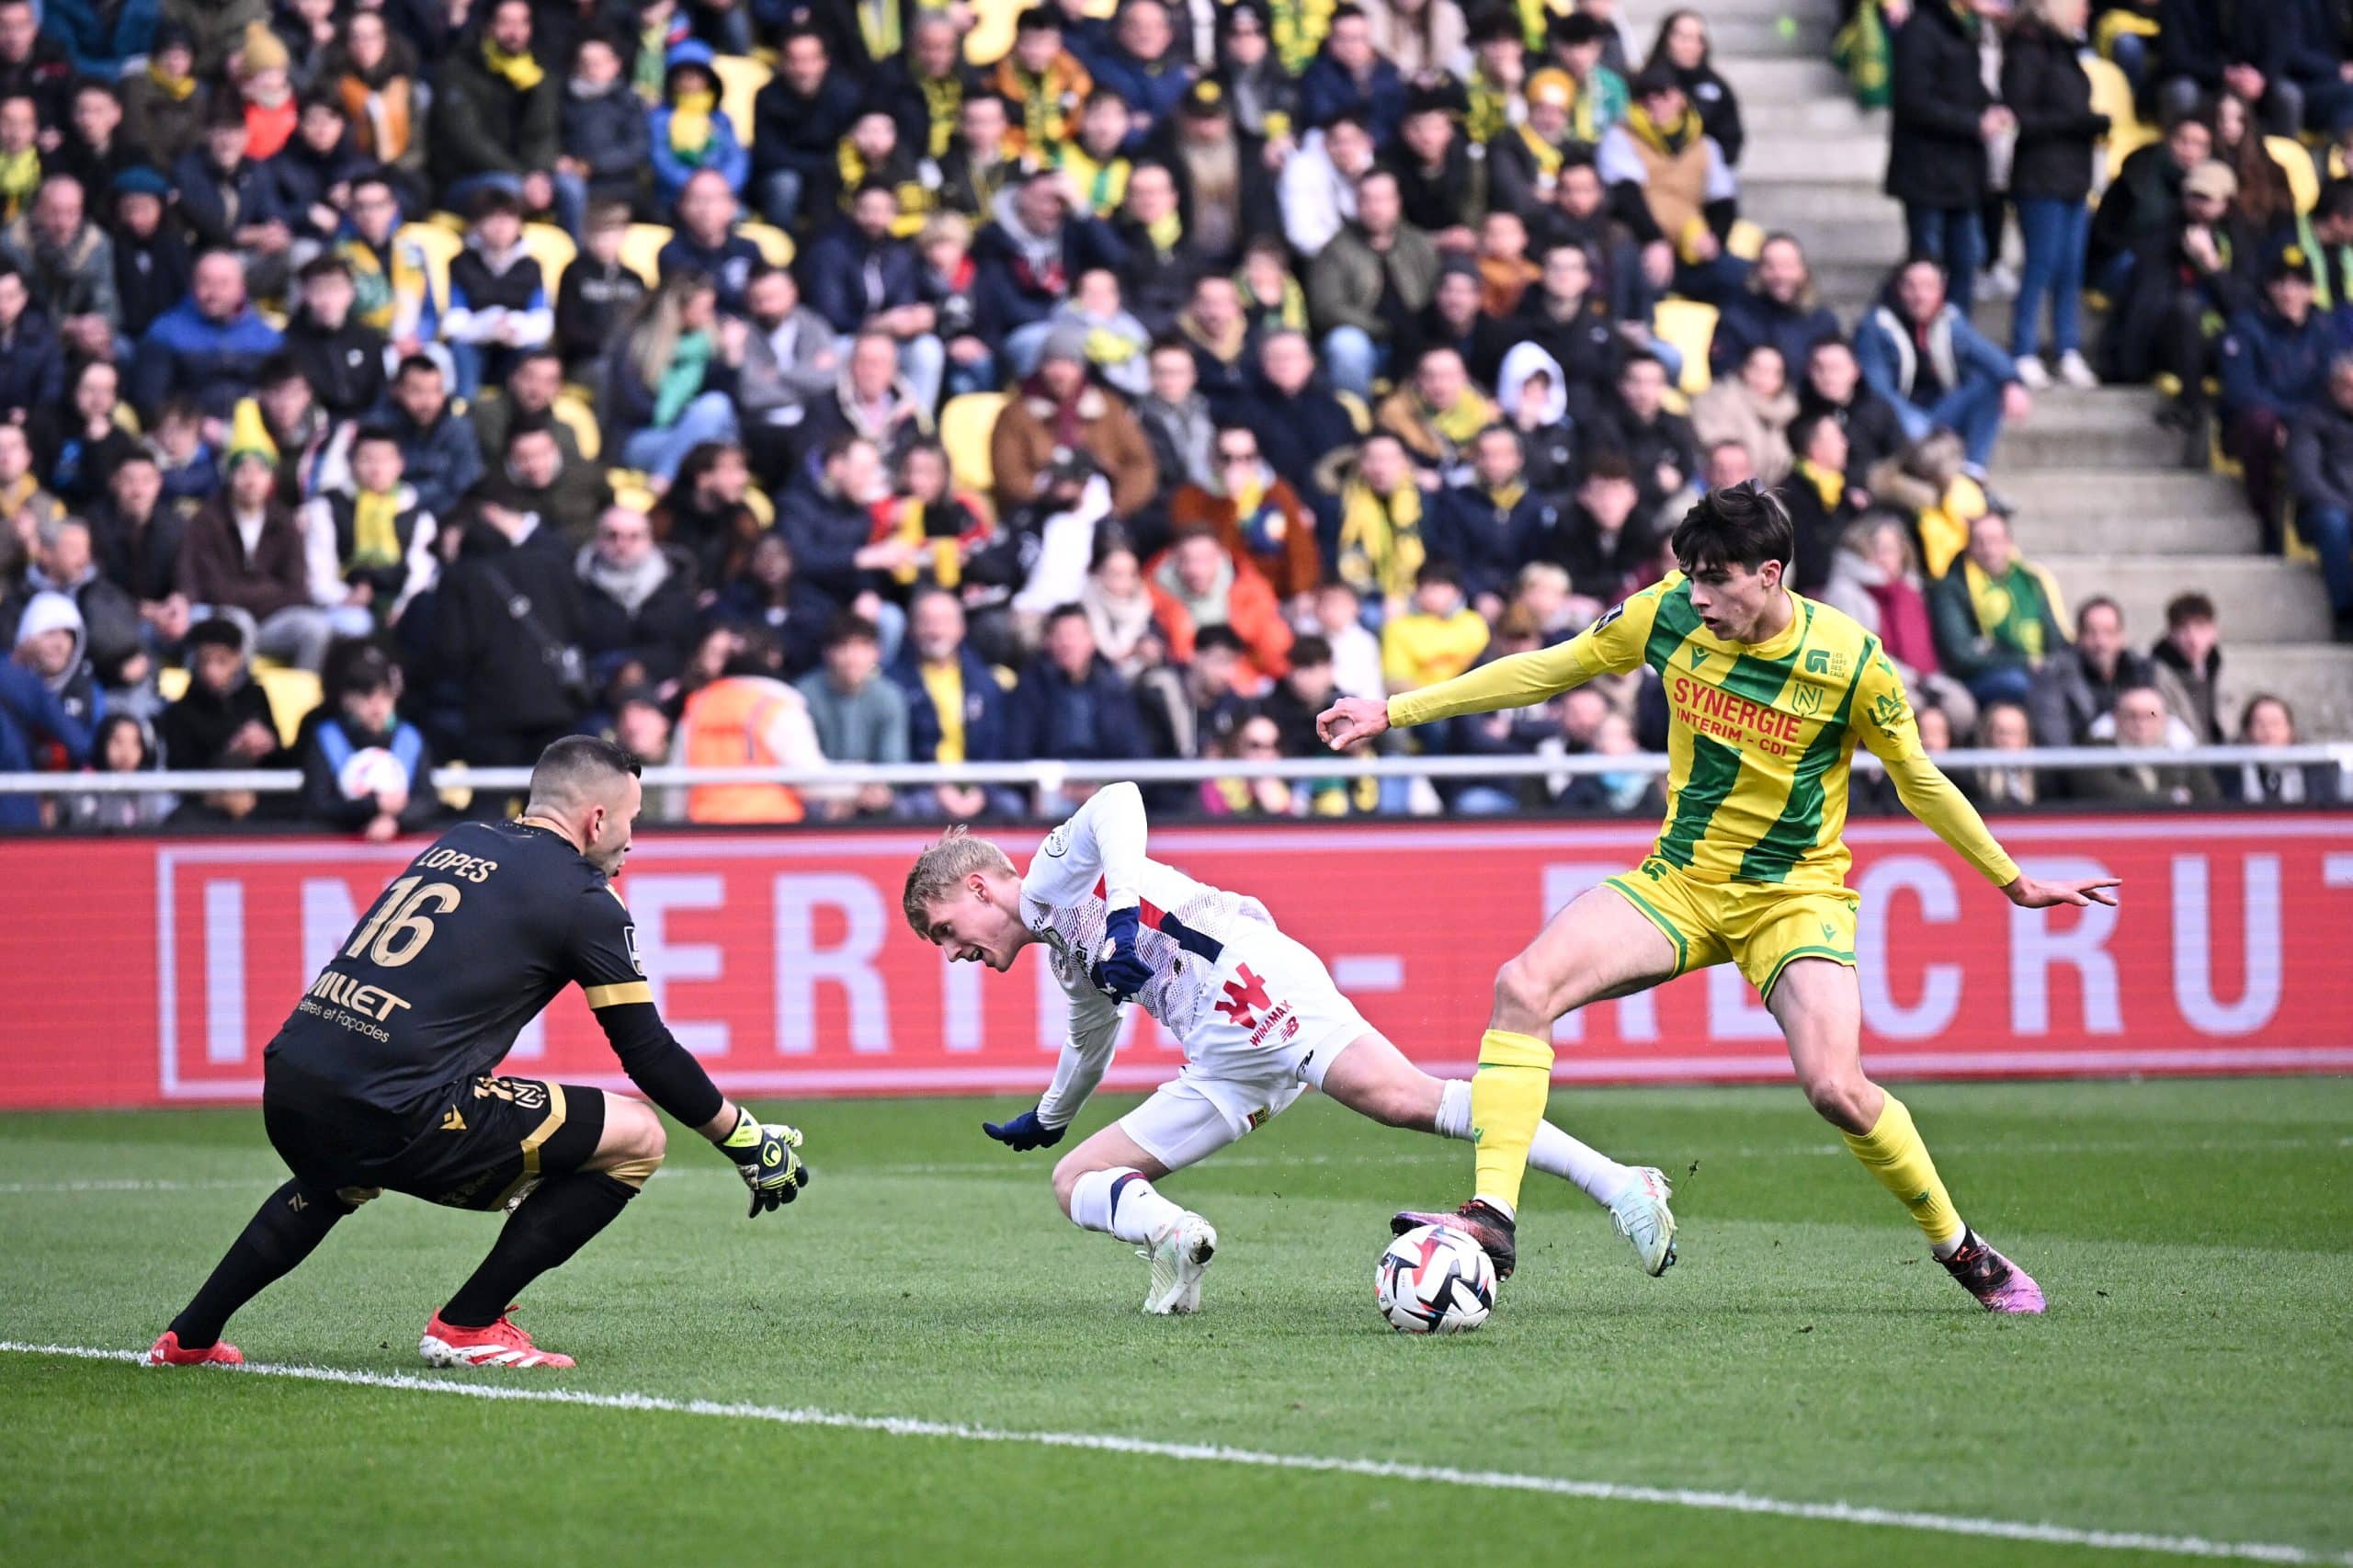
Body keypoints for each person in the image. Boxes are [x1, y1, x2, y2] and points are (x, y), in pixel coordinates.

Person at [1315, 482, 2118, 1308]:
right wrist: (1395, 710)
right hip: (1681, 884)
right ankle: (1492, 1213)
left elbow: (1917, 778)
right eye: (1690, 576)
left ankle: (1963, 1251)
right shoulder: (1664, 613)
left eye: (1716, 579)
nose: (1697, 596)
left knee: (1837, 1089)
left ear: (1770, 574)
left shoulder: (1849, 660)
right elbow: (1548, 670)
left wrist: (2011, 879)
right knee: (1523, 987)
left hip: (1793, 899)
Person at [145, 737, 812, 1372]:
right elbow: (647, 1052)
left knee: (337, 1171)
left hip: (293, 1080)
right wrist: (745, 1139)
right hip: (398, 1109)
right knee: (637, 1136)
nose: (633, 838)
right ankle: (470, 1325)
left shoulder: (461, 841)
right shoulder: (585, 898)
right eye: (632, 820)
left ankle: (190, 1337)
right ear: (597, 817)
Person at [906, 783, 1678, 1313]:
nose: (950, 953)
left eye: (944, 930)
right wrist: (1048, 1118)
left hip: (1248, 980)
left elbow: (1119, 802)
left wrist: (1121, 916)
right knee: (1077, 1176)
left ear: (978, 888)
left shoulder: (1048, 874)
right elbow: (1089, 1039)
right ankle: (1176, 1241)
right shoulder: (1061, 946)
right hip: (1219, 1053)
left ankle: (1622, 1185)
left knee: (1404, 1099)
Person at [2002, 0, 2106, 389]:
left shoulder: (2068, 51)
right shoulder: (2027, 49)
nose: (2086, 9)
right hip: (2040, 176)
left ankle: (2067, 348)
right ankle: (2023, 348)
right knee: (2040, 265)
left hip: (2073, 177)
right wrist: (2080, 124)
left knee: (2071, 269)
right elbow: (2022, 115)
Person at [1884, 0, 2009, 320]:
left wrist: (1992, 107)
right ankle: (1920, 344)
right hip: (1925, 175)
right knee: (1926, 270)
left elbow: (1970, 88)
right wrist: (1973, 123)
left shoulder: (1962, 31)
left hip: (1961, 176)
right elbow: (1914, 100)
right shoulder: (1921, 30)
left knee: (1966, 262)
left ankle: (1955, 344)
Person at [1855, 257, 2030, 476]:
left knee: (1989, 384)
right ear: (1898, 288)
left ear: (1940, 289)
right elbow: (1878, 388)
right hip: (1897, 418)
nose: (1920, 296)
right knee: (1899, 415)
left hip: (1941, 413)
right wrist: (1918, 425)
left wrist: (2011, 381)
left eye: (1928, 287)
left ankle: (1973, 472)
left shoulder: (1949, 319)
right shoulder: (1875, 326)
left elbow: (1985, 353)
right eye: (1911, 286)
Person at [1928, 508, 2069, 710]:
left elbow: (2054, 636)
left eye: (1994, 540)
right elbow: (1962, 656)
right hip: (1983, 677)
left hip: (2035, 670)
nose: (1988, 549)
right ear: (1968, 546)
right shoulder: (1951, 587)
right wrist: (2024, 661)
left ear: (2008, 543)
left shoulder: (2031, 581)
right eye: (1980, 542)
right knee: (2021, 685)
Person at [298, 649, 439, 841]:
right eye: (367, 694)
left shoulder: (410, 738)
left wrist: (395, 819)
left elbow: (428, 800)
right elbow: (317, 804)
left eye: (385, 695)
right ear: (347, 699)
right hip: (339, 849)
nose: (377, 704)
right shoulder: (325, 738)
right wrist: (373, 807)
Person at [2284, 351, 2353, 639]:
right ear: (2334, 387)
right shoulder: (2310, 420)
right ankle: (2346, 612)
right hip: (2323, 510)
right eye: (2348, 386)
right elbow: (2306, 479)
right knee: (2333, 524)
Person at [2027, 594, 2153, 745]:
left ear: (2122, 636)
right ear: (2078, 636)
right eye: (2091, 632)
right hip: (2080, 764)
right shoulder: (2053, 676)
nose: (2101, 642)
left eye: (2109, 632)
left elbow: (2158, 719)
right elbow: (2055, 741)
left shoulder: (2142, 673)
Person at [1710, 233, 1838, 380]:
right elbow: (1724, 380)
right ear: (1757, 271)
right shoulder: (1735, 319)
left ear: (1803, 270)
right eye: (1770, 266)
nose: (1780, 275)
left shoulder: (1823, 321)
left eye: (1787, 266)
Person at [2072, 681, 2221, 804]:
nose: (2140, 723)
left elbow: (2208, 795)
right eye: (2131, 715)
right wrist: (2173, 797)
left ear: (2164, 719)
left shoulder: (2180, 752)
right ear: (2116, 718)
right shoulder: (2097, 750)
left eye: (2150, 715)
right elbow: (2108, 792)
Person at [2225, 693, 2338, 804]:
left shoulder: (2314, 773)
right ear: (2248, 731)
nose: (2268, 732)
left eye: (2275, 724)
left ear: (2290, 730)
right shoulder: (2231, 774)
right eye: (2260, 724)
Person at [2149, 589, 2229, 744]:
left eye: (2200, 627)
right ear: (2170, 634)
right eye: (2183, 629)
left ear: (2214, 632)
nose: (2192, 638)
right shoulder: (2153, 678)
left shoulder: (2222, 673)